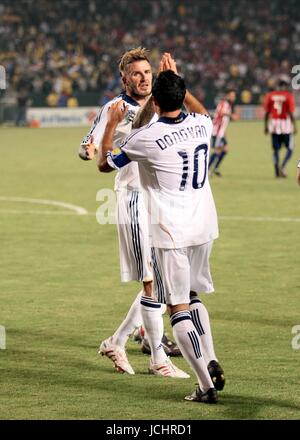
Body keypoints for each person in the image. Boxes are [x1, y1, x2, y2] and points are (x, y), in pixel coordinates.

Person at [98, 70, 224, 404]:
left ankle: (205, 386)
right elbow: (204, 111)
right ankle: (210, 358)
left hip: (171, 232)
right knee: (194, 296)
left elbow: (105, 163)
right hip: (204, 227)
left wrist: (111, 124)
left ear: (154, 101)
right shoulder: (201, 125)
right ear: (183, 97)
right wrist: (183, 84)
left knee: (178, 307)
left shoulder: (146, 138)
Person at [79, 48, 188, 378]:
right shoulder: (115, 108)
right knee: (151, 281)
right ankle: (157, 359)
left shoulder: (159, 104)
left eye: (148, 73)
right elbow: (93, 147)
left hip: (160, 199)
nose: (144, 78)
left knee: (160, 281)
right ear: (124, 78)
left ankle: (118, 340)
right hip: (133, 199)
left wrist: (174, 79)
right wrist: (91, 146)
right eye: (137, 74)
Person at [264, 77, 297, 178]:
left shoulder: (270, 95)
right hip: (285, 124)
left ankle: (276, 171)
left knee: (276, 149)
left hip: (274, 124)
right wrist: (294, 126)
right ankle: (283, 166)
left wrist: (265, 126)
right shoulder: (288, 96)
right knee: (290, 148)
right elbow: (290, 113)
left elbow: (267, 112)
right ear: (285, 86)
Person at [208, 89, 238, 177]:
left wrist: (224, 132)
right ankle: (208, 169)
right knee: (217, 150)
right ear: (227, 96)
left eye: (234, 96)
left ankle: (215, 168)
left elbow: (223, 119)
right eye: (232, 96)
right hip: (216, 131)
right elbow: (220, 112)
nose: (233, 97)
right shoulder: (223, 103)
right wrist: (231, 115)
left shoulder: (228, 105)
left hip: (221, 132)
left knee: (225, 149)